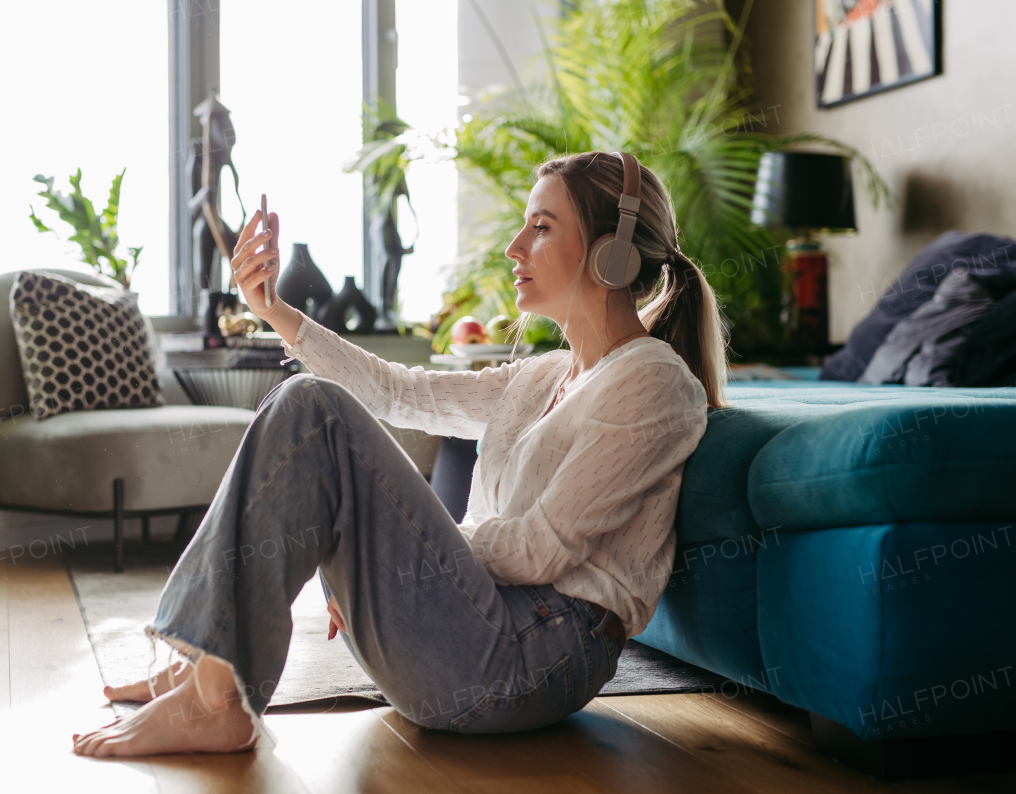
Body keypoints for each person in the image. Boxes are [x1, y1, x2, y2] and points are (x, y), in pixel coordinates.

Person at [71, 151, 725, 757]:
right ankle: (207, 668)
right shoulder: (542, 376)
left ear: (611, 252)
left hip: (532, 659)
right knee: (305, 403)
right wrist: (275, 311)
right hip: (479, 634)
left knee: (311, 409)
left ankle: (215, 697)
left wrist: (409, 549)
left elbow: (543, 550)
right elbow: (398, 391)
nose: (514, 246)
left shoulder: (653, 381)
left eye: (542, 226)